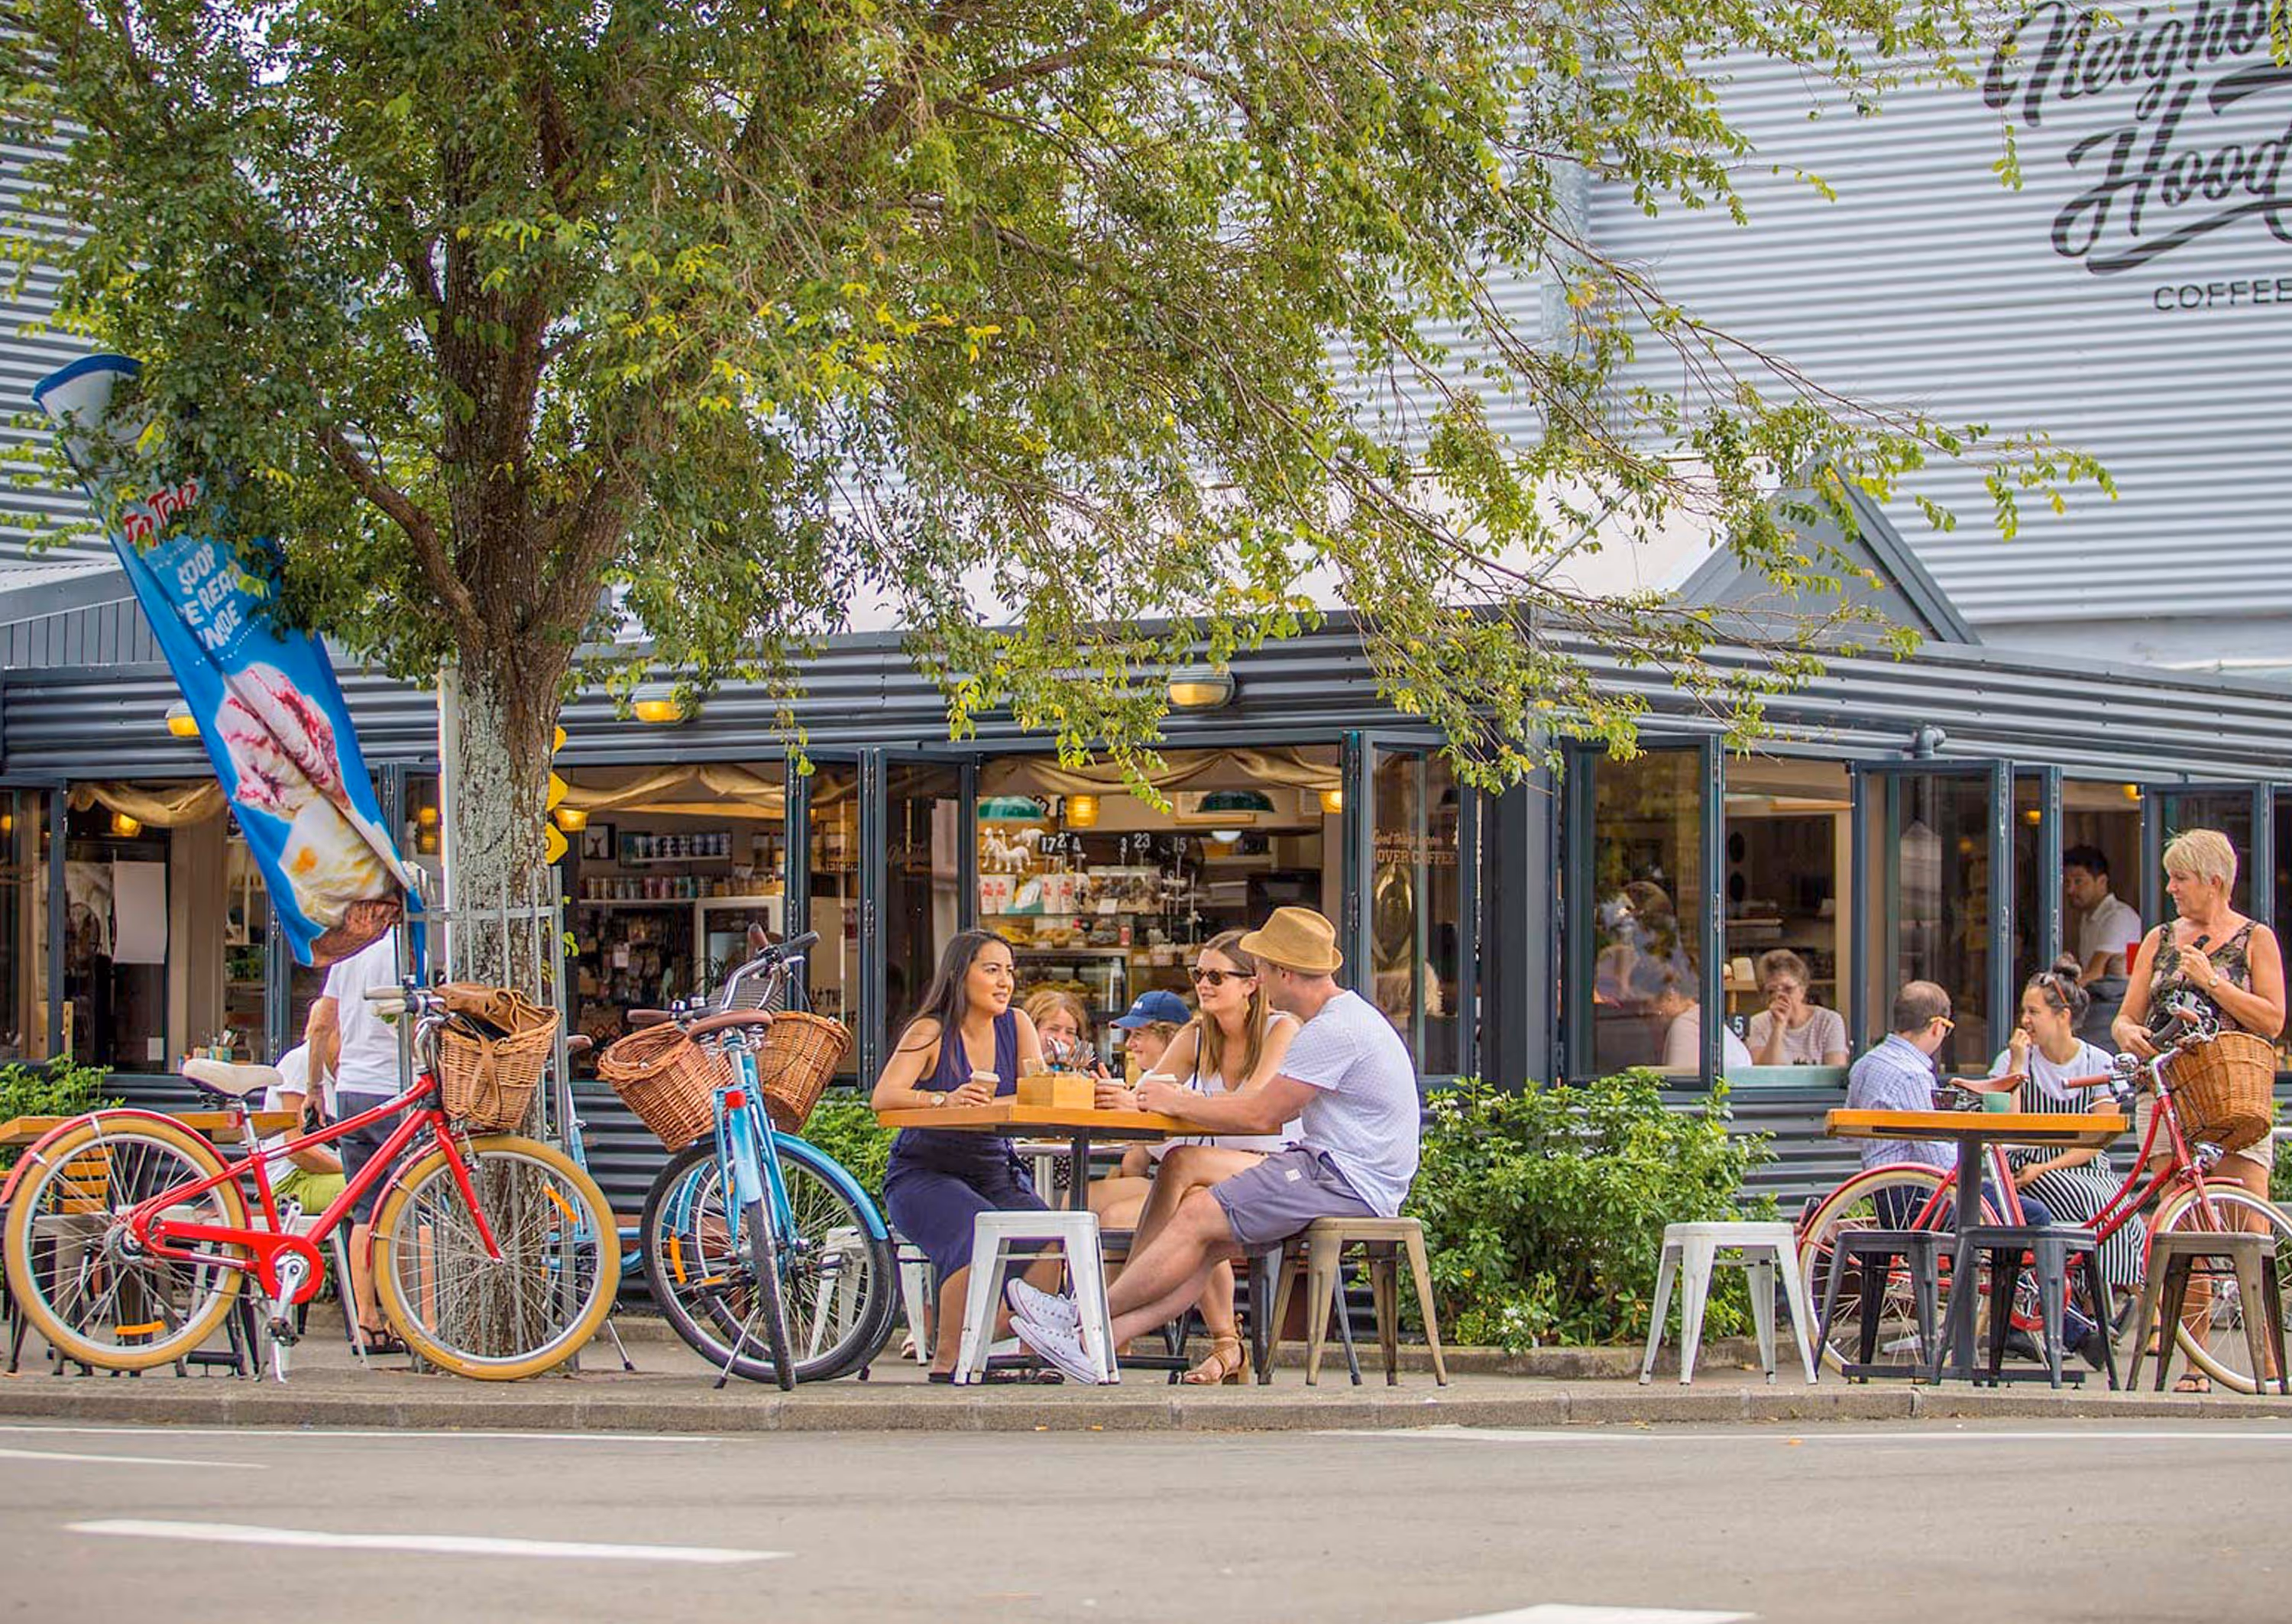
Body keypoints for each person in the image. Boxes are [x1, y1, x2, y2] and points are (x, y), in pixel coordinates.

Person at [1007, 907, 1418, 1386]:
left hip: (1343, 1177)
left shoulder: (1331, 1030)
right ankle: (1091, 1343)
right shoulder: (1336, 1018)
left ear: (1282, 972)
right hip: (1336, 1170)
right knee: (1203, 1240)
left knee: (1198, 1213)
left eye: (1259, 966)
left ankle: (1081, 1316)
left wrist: (1179, 1100)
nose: (1258, 976)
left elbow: (1263, 1116)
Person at [2111, 827, 2286, 1389]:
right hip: (2169, 1095)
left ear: (2215, 882)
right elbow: (2125, 1016)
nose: (2171, 888)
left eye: (2180, 879)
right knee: (2182, 1227)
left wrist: (2214, 984)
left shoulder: (2255, 939)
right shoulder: (2162, 940)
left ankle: (2265, 1362)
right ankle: (2195, 1365)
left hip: (2236, 1095)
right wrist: (2128, 1035)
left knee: (2246, 1226)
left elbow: (2273, 1021)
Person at [1087, 930, 1302, 1383]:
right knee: (1181, 1191)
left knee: (1183, 1164)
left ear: (1251, 983)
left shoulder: (1280, 1029)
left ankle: (1103, 1314)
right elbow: (1150, 1092)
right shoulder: (1197, 1035)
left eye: (1216, 976)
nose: (1204, 984)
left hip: (1279, 1166)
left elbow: (1254, 1110)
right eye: (1199, 974)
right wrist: (1130, 1098)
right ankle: (1225, 1345)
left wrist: (1167, 1101)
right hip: (1220, 1166)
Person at [872, 930, 1060, 1380]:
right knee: (976, 1229)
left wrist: (1071, 1084)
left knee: (1051, 1236)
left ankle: (1021, 1348)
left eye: (1010, 971)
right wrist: (942, 1100)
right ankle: (949, 1359)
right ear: (960, 975)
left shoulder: (1017, 1025)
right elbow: (884, 1097)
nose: (1004, 982)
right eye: (991, 970)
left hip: (992, 1169)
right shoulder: (931, 1030)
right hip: (924, 1172)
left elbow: (1038, 1092)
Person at [1986, 959, 2144, 1358]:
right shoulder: (2014, 1061)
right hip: (2026, 1167)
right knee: (2083, 1202)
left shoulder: (2096, 1062)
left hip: (2079, 1163)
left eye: (2034, 1011)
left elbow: (2098, 1138)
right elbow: (2010, 1129)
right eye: (2024, 1011)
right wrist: (2018, 1068)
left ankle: (2104, 1306)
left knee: (2119, 1209)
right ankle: (2093, 1313)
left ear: (2063, 1017)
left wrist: (2048, 1165)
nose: (2025, 1020)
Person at [306, 928, 401, 1354]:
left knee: (364, 1212)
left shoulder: (350, 949)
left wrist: (313, 1087)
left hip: (351, 1091)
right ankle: (417, 1321)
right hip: (396, 1089)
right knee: (416, 1212)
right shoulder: (411, 946)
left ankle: (366, 1321)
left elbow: (321, 1023)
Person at [2064, 845, 2142, 1043]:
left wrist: (2057, 994)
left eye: (2079, 881)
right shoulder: (2088, 918)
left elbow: (2096, 973)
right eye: (2067, 882)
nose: (2070, 889)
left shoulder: (2119, 917)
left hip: (2113, 1010)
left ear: (2102, 881)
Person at [260, 1041, 347, 1216]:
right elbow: (297, 1151)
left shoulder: (343, 1072)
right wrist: (350, 1170)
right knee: (374, 1191)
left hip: (322, 1177)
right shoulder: (301, 1062)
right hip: (291, 1182)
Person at [1643, 962, 1753, 1076]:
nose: (1648, 1013)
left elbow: (1680, 1087)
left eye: (1648, 1005)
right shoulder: (1706, 1021)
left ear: (1670, 995)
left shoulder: (1685, 1025)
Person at [1747, 949, 1849, 1067]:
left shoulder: (1829, 1021)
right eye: (1771, 991)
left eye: (1788, 989)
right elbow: (1765, 1076)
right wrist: (1779, 1026)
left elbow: (1836, 1072)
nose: (1779, 996)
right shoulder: (1757, 1024)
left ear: (1803, 989)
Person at [1022, 988, 1106, 1076]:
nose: (1061, 1038)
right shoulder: (1013, 1069)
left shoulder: (1083, 1075)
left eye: (1070, 1032)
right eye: (1053, 1029)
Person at [1109, 988, 1189, 1081]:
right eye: (1130, 1034)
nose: (1129, 1044)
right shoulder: (1148, 1078)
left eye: (1138, 1034)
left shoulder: (1201, 1083)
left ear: (1171, 1037)